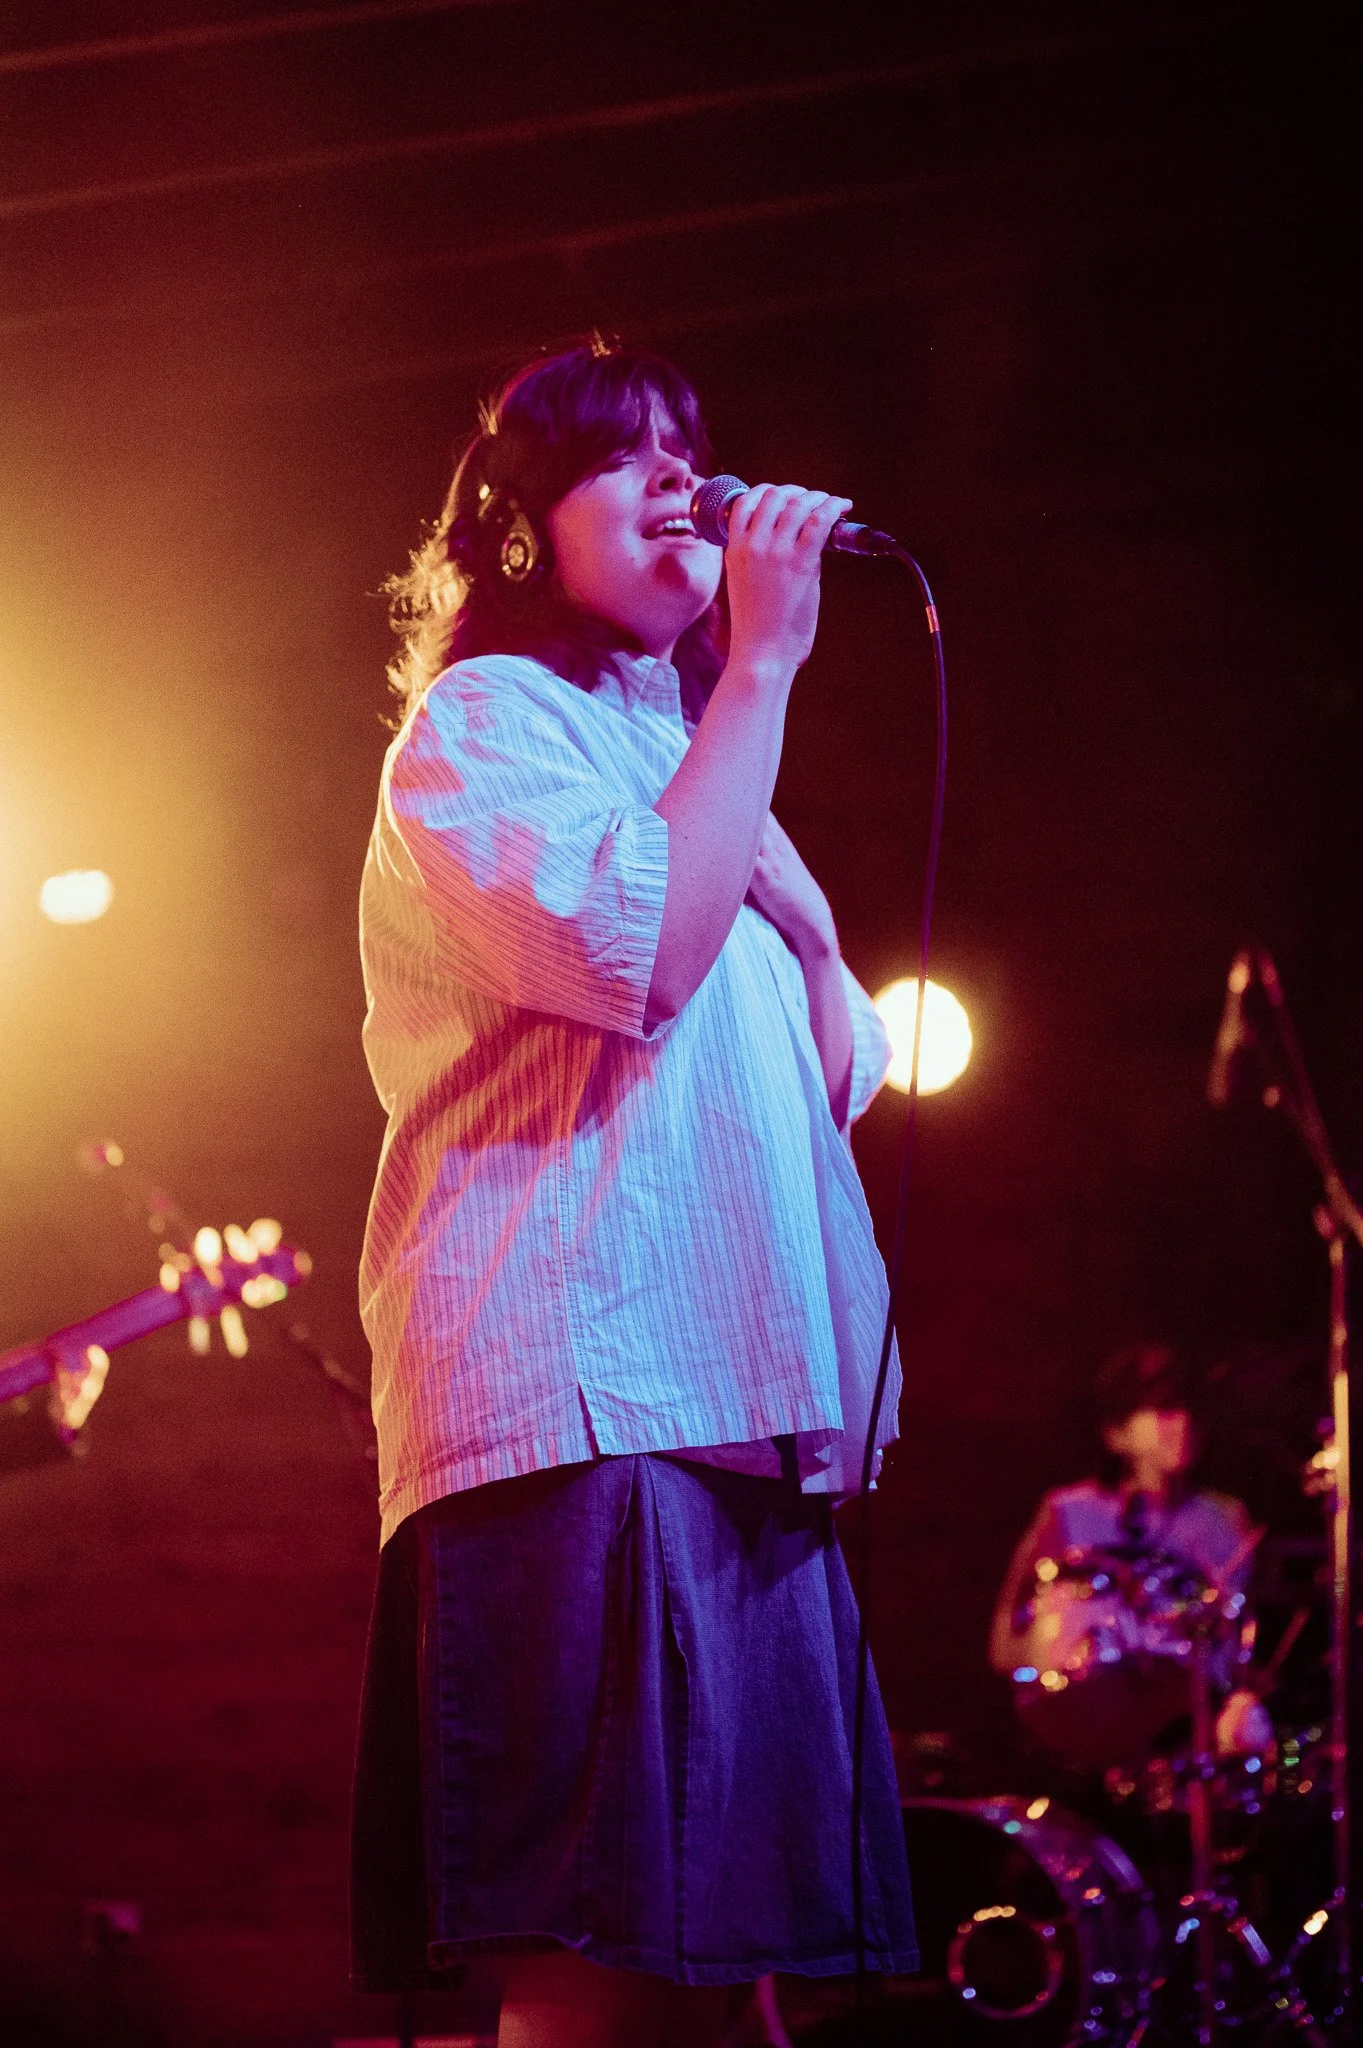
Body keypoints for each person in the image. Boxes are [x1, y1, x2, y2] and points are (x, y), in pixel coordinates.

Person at [350, 339, 917, 2048]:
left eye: (697, 444)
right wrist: (767, 663)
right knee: (589, 1972)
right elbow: (642, 963)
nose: (685, 480)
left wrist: (812, 923)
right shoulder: (480, 731)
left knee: (737, 1984)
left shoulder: (694, 760)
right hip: (572, 1411)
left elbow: (828, 1082)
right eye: (628, 458)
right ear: (518, 532)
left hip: (741, 1409)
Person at [989, 1343, 1270, 1767]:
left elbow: (1240, 1654)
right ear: (1115, 1432)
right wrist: (1061, 1663)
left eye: (1190, 1409)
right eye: (1163, 1411)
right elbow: (1004, 1644)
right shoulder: (1069, 1512)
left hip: (1187, 1746)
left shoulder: (1225, 1520)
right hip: (1084, 1741)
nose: (1184, 1423)